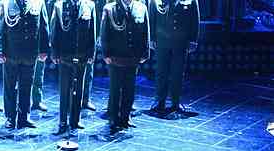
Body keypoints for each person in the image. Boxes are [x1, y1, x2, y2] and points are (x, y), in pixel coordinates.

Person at [0, 0, 49, 130]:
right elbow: (0, 28)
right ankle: (10, 117)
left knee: (26, 86)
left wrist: (43, 49)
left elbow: (43, 26)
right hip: (11, 53)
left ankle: (24, 117)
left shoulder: (38, 3)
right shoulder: (6, 3)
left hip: (30, 53)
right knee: (10, 87)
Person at [100, 0, 149, 133]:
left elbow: (145, 31)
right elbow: (104, 33)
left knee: (129, 89)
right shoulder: (110, 9)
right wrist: (105, 54)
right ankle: (113, 118)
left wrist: (145, 53)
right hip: (115, 56)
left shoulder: (141, 8)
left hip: (132, 57)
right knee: (115, 89)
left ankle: (126, 117)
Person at [49, 0, 96, 135]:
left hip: (81, 53)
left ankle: (75, 120)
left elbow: (92, 30)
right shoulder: (60, 5)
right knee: (64, 90)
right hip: (65, 54)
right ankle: (62, 121)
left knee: (78, 89)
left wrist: (91, 53)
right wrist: (55, 53)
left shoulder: (89, 6)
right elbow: (55, 30)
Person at [148, 0, 199, 117]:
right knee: (161, 72)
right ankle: (159, 101)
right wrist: (151, 38)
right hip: (162, 41)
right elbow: (151, 19)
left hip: (181, 42)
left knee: (178, 72)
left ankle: (176, 102)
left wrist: (193, 40)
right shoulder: (155, 1)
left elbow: (195, 20)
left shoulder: (191, 1)